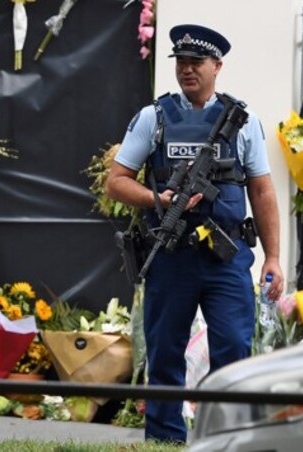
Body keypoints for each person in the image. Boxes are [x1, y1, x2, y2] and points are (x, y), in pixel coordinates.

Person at [105, 24, 283, 443]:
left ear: (217, 66)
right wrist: (159, 200)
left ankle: (226, 438)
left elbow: (261, 189)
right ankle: (166, 438)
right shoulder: (154, 117)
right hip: (170, 255)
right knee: (165, 350)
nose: (187, 69)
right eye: (181, 62)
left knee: (234, 349)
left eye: (196, 62)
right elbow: (117, 181)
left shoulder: (243, 120)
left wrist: (273, 257)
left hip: (226, 257)